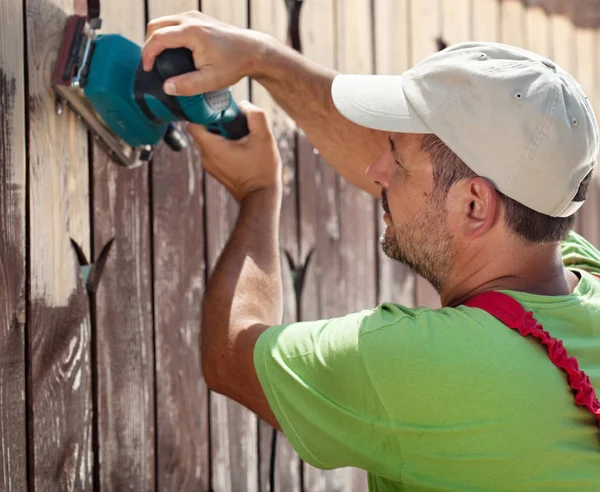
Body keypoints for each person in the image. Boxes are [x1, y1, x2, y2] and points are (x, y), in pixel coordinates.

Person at [142, 11, 600, 491]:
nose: (376, 169)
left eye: (397, 160)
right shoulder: (569, 265)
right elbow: (433, 183)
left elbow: (230, 355)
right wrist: (262, 58)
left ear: (474, 204)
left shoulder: (430, 367)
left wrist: (259, 190)